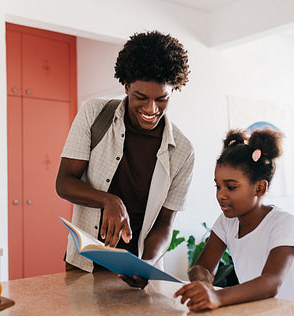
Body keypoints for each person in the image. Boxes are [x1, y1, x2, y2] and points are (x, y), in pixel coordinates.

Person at [56, 31, 194, 288]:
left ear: (173, 90)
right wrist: (109, 200)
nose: (151, 109)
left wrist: (148, 265)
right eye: (141, 97)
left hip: (139, 271)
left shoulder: (183, 151)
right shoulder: (94, 114)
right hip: (84, 265)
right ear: (126, 86)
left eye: (161, 98)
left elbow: (165, 223)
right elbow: (64, 182)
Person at [174, 128, 294, 316]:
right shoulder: (226, 222)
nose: (221, 195)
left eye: (231, 187)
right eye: (218, 186)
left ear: (259, 189)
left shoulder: (283, 222)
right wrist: (204, 285)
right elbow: (202, 267)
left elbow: (270, 283)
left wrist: (217, 297)